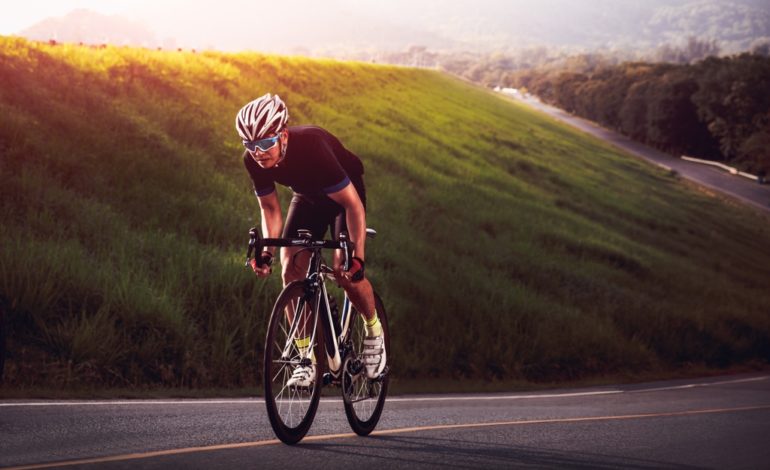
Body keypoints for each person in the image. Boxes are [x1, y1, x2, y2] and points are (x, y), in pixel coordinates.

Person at [236, 93, 385, 387]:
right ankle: (305, 359)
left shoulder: (313, 147)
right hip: (308, 196)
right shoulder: (253, 160)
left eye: (265, 144)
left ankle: (374, 332)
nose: (258, 153)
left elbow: (352, 206)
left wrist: (359, 259)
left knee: (345, 271)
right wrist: (265, 251)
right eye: (250, 145)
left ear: (283, 135)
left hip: (344, 195)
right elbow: (270, 208)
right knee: (290, 268)